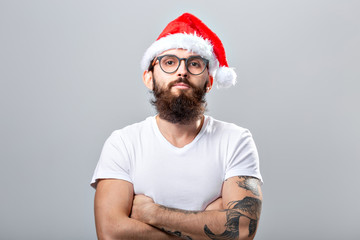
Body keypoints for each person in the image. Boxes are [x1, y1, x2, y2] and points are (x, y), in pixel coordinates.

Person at [91, 13, 263, 240]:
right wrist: (211, 221)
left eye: (194, 64)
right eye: (169, 62)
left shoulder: (236, 140)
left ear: (209, 82)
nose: (182, 71)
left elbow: (241, 230)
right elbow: (111, 233)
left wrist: (152, 213)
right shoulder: (123, 143)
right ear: (149, 77)